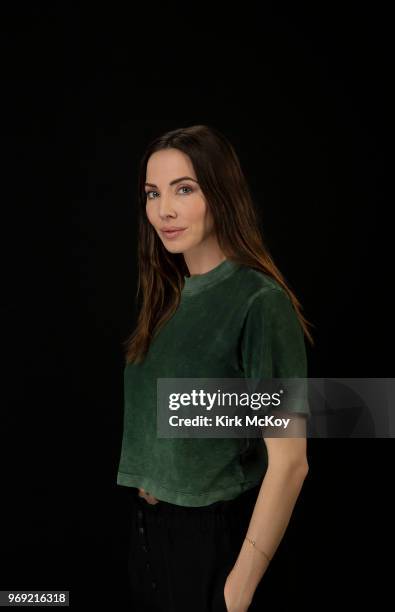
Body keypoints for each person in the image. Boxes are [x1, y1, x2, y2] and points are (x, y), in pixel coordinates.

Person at [116, 124, 315, 611]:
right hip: (147, 535)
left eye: (184, 189)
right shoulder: (169, 298)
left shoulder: (258, 301)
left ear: (221, 194)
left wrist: (236, 591)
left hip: (211, 540)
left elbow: (290, 463)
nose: (164, 210)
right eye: (152, 193)